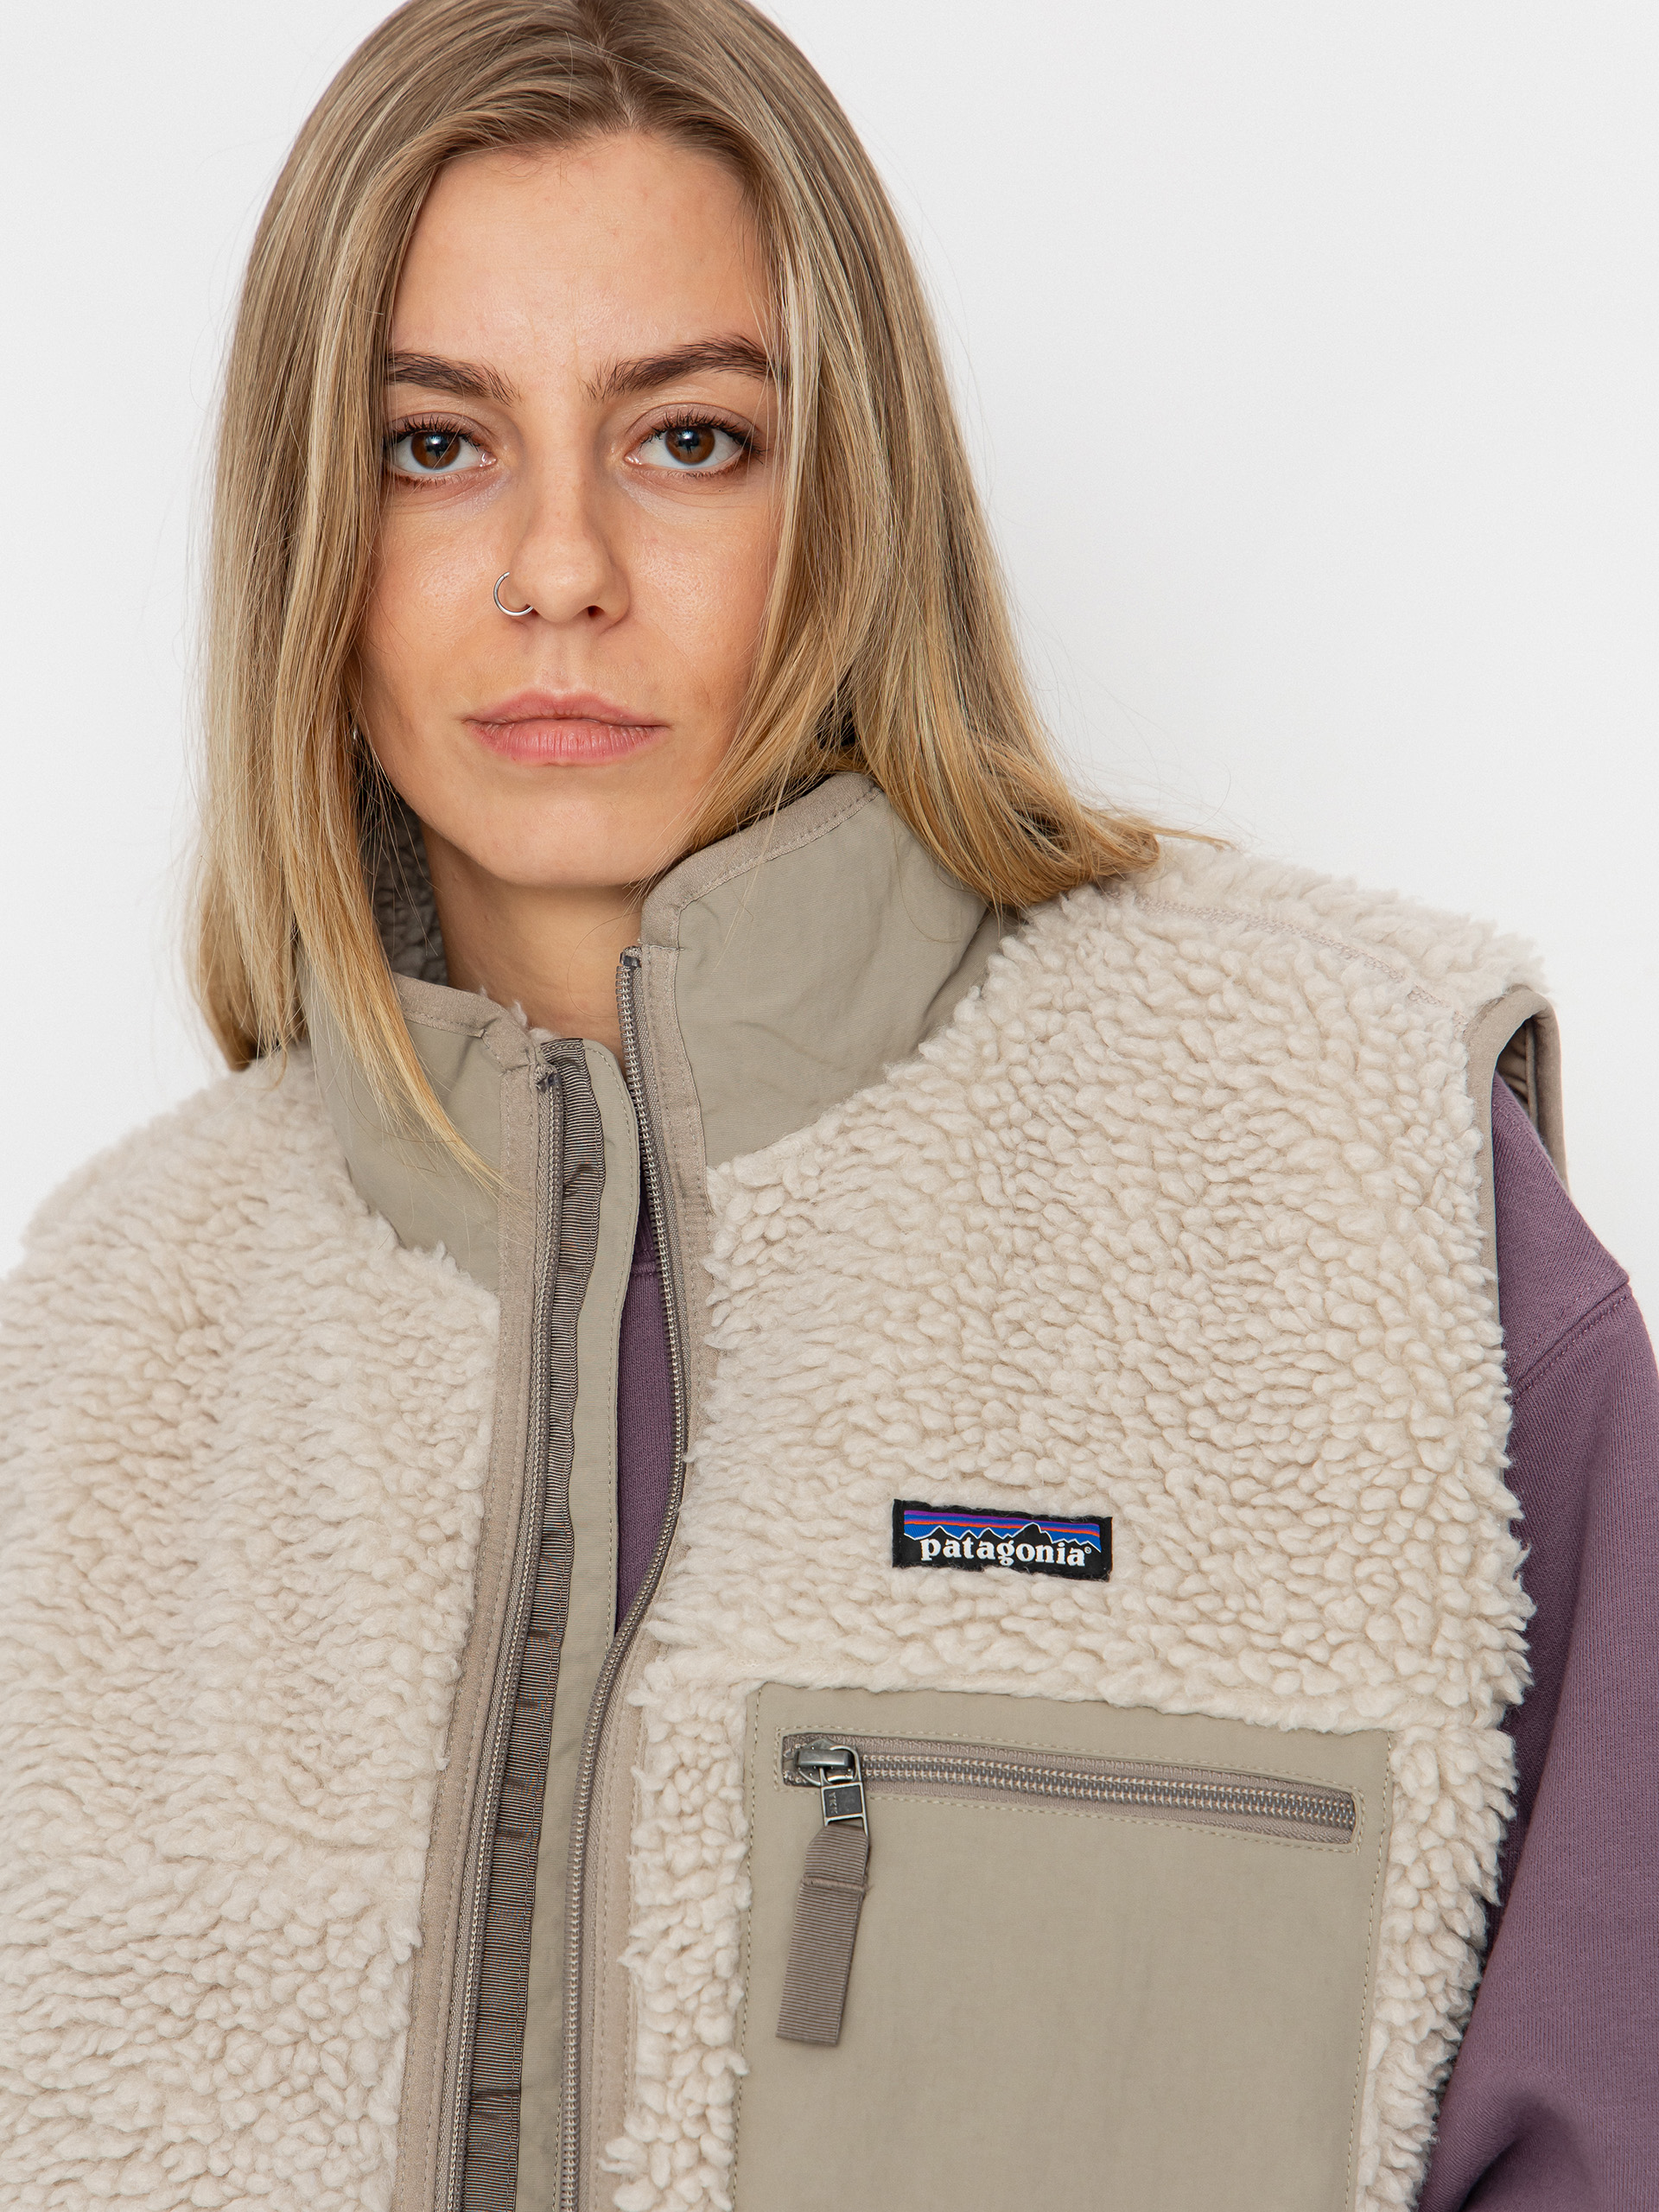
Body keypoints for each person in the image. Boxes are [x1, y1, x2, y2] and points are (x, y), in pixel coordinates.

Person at [1, 1, 1652, 2207]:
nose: (560, 567)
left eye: (690, 438)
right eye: (436, 443)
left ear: (856, 492)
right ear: (309, 519)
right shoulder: (90, 1358)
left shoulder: (1356, 1183)